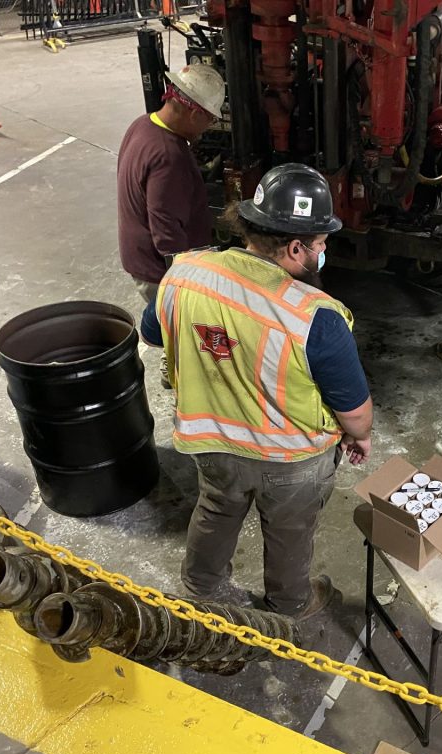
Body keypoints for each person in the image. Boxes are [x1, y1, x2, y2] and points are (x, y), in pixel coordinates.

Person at [156, 163, 373, 620]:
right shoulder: (316, 317)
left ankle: (202, 586)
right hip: (289, 461)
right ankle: (290, 604)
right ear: (296, 248)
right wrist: (360, 436)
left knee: (216, 509)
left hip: (210, 441)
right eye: (321, 243)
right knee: (289, 531)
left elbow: (154, 330)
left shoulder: (185, 273)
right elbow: (355, 412)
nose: (323, 251)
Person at [117, 63, 225, 386]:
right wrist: (187, 284)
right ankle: (181, 379)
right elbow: (167, 234)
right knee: (182, 330)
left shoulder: (142, 125)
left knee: (173, 326)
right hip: (159, 270)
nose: (209, 127)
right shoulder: (169, 156)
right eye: (209, 119)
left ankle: (175, 354)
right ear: (193, 113)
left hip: (139, 256)